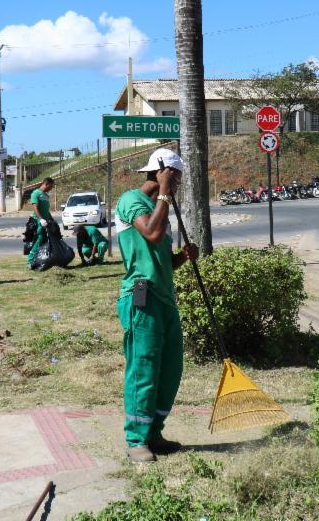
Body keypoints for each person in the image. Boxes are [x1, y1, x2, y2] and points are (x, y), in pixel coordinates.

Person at [114, 148, 198, 464]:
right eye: (175, 179)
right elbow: (150, 233)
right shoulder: (131, 200)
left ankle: (154, 433)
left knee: (170, 369)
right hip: (141, 298)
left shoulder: (158, 207)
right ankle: (136, 440)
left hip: (165, 298)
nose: (177, 187)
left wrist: (181, 258)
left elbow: (160, 258)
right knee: (144, 367)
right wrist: (164, 192)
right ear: (161, 172)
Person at [26, 177, 55, 268]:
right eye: (51, 186)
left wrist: (51, 219)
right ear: (46, 184)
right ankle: (30, 261)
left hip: (46, 221)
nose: (51, 188)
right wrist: (41, 219)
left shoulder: (46, 195)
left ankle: (43, 259)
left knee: (45, 241)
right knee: (39, 239)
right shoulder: (36, 193)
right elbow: (35, 208)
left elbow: (46, 210)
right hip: (38, 221)